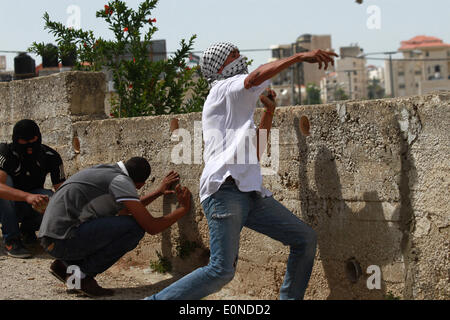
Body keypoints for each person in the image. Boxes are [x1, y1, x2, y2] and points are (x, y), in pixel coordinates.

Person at [145, 42, 338, 300]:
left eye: (238, 53)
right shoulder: (222, 89)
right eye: (233, 56)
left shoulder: (235, 108)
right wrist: (300, 56)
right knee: (221, 271)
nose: (240, 58)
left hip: (250, 192)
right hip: (224, 191)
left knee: (304, 240)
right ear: (219, 67)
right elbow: (256, 76)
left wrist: (268, 113)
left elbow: (255, 153)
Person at [38, 157, 191, 297]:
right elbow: (151, 227)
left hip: (52, 238)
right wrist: (182, 209)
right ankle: (82, 275)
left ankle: (67, 265)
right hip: (63, 240)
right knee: (135, 228)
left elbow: (127, 209)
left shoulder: (106, 171)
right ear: (140, 184)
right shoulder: (121, 181)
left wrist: (157, 192)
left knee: (124, 223)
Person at [0, 119, 66, 258]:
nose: (30, 147)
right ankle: (11, 239)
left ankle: (28, 229)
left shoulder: (50, 156)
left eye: (33, 141)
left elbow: (63, 191)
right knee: (6, 184)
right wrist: (27, 197)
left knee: (53, 199)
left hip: (29, 204)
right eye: (24, 142)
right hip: (6, 206)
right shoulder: (5, 153)